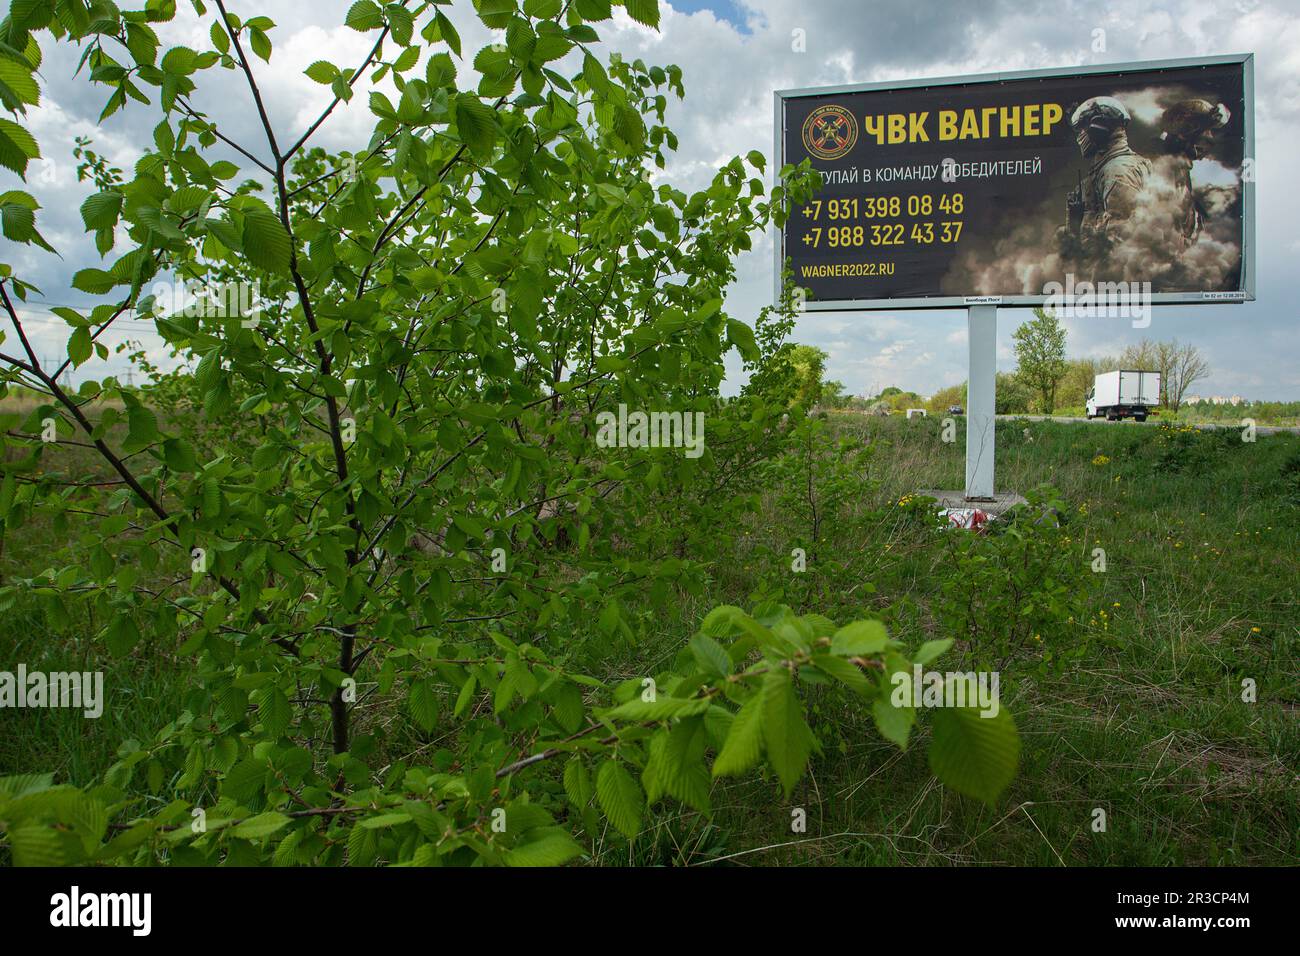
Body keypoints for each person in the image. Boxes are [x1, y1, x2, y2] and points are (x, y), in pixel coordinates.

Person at [1059, 95, 1153, 273]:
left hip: (1113, 288)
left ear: (1097, 128)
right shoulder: (1107, 169)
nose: (1080, 137)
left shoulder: (1117, 171)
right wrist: (1075, 223)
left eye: (1081, 130)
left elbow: (1120, 244)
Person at [1159, 98, 1231, 245]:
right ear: (1184, 134)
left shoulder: (1180, 170)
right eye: (1206, 131)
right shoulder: (1162, 174)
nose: (1209, 138)